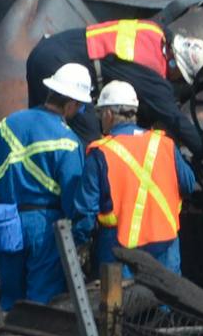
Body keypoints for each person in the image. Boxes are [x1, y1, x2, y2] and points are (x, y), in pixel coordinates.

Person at [24, 11, 203, 158]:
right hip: (58, 67)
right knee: (92, 143)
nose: (176, 82)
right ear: (177, 65)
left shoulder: (154, 32)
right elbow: (177, 121)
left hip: (44, 52)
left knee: (36, 131)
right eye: (181, 78)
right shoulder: (152, 70)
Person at [0, 61, 93, 308]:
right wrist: (82, 234)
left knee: (9, 296)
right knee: (42, 300)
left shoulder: (9, 123)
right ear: (72, 104)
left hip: (5, 220)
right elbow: (74, 199)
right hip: (44, 226)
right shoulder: (69, 142)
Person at [79, 81, 196, 279]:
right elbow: (188, 185)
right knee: (166, 303)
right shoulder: (164, 144)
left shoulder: (101, 152)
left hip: (118, 248)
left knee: (118, 307)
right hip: (165, 244)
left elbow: (86, 209)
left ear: (108, 114)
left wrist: (80, 243)